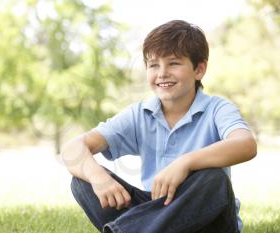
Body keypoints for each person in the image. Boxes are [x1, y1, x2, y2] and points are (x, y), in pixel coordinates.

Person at [61, 20, 257, 233]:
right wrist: (98, 178)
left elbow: (245, 144)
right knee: (82, 181)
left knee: (214, 178)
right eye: (154, 65)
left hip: (209, 222)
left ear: (199, 69)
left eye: (173, 63)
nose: (162, 73)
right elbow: (73, 148)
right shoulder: (139, 114)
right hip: (157, 211)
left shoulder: (217, 108)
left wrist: (186, 162)